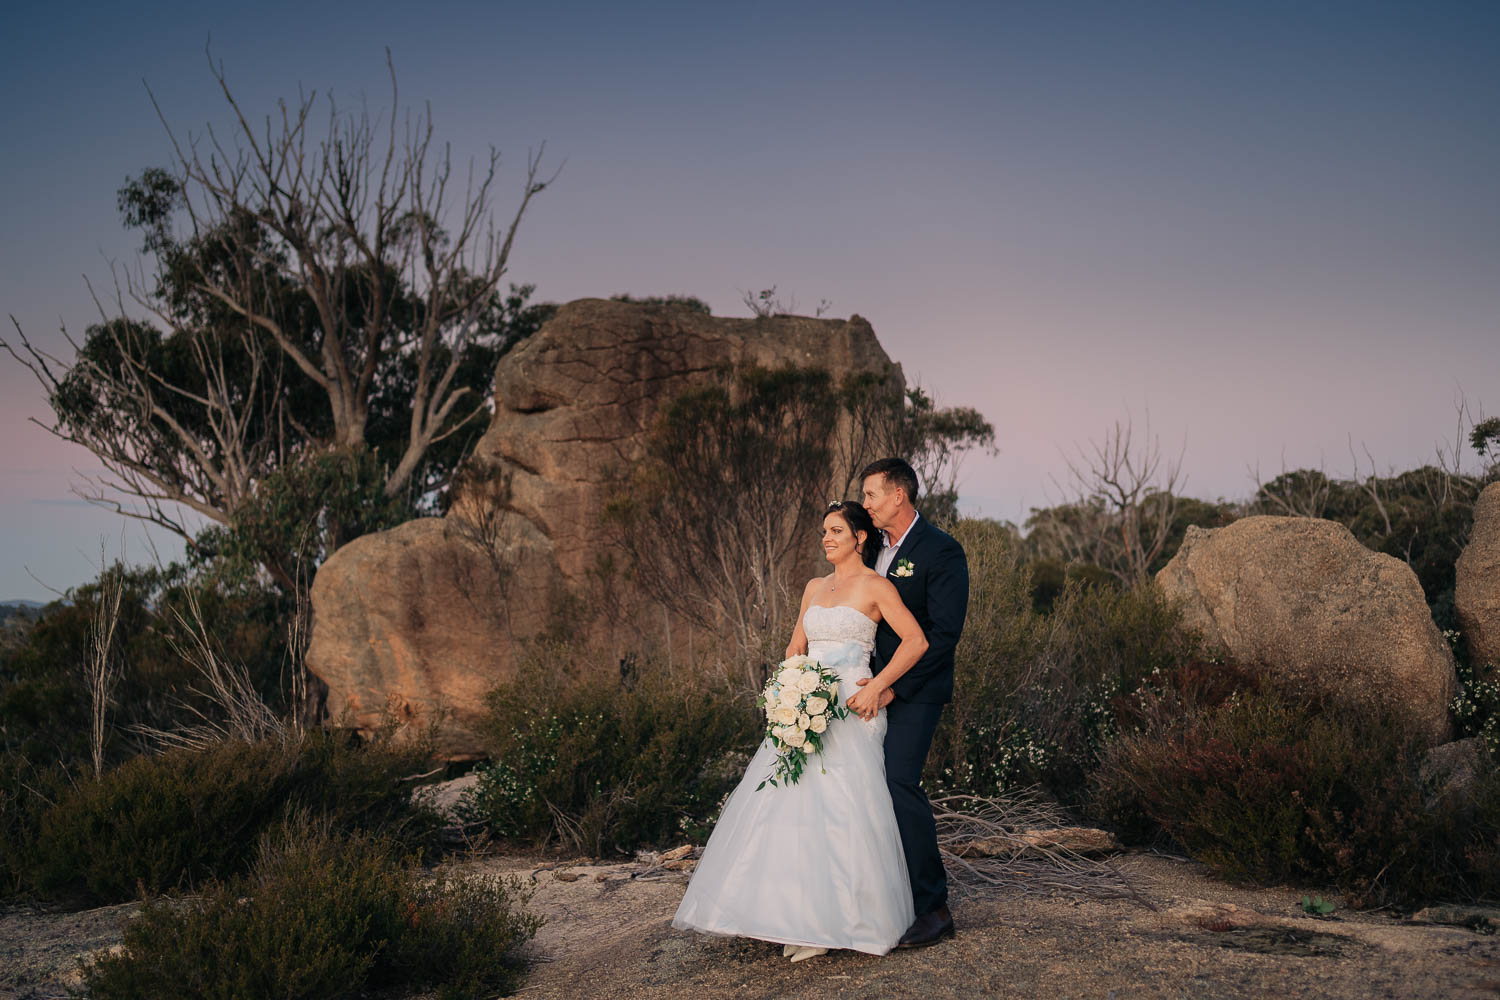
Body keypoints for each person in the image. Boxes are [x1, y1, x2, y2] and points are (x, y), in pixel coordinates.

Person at [672, 500, 930, 960]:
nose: (826, 539)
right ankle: (791, 913)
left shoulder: (877, 587)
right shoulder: (814, 586)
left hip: (852, 705)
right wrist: (786, 692)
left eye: (835, 531)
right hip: (804, 704)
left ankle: (830, 925)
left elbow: (916, 641)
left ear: (860, 537)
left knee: (841, 809)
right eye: (823, 532)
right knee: (789, 805)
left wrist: (881, 687)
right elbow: (796, 646)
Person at [855, 457, 969, 949]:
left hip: (916, 692)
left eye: (872, 495)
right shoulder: (871, 547)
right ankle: (882, 896)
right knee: (858, 784)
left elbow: (943, 637)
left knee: (899, 782)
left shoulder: (941, 551)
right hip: (866, 688)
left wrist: (891, 686)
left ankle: (934, 907)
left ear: (899, 495)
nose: (866, 504)